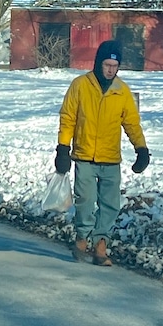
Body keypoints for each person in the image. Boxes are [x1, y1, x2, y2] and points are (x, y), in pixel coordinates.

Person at [53, 39, 150, 266]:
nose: (110, 70)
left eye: (115, 66)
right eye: (107, 65)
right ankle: (82, 237)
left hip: (110, 157)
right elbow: (68, 118)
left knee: (110, 204)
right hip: (85, 155)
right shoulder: (80, 85)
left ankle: (101, 245)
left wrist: (141, 149)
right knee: (85, 200)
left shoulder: (122, 91)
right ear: (98, 63)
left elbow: (132, 124)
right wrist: (63, 148)